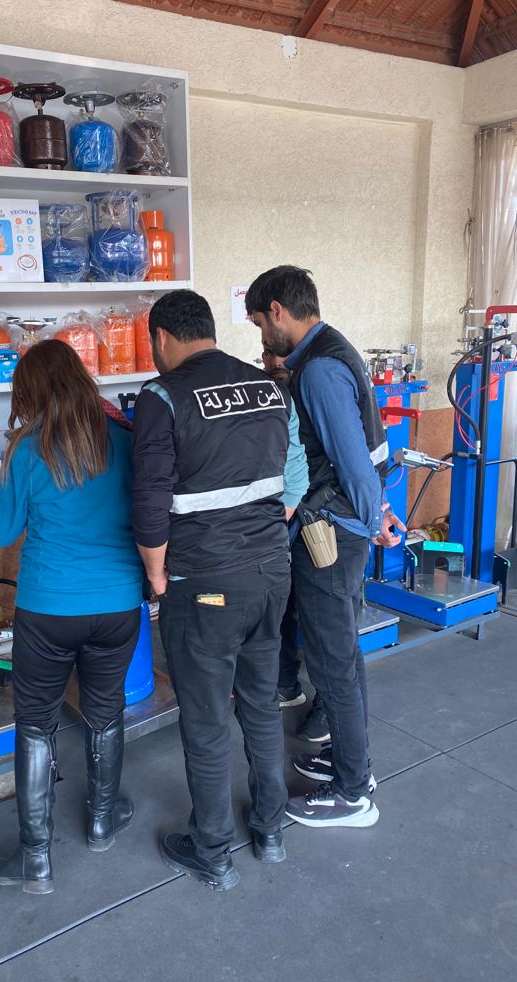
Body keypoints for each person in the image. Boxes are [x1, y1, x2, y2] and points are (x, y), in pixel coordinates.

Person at [132, 289, 308, 891]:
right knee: (260, 703)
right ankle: (270, 829)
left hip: (203, 583)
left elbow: (150, 500)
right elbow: (293, 479)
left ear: (161, 338)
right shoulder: (270, 387)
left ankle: (212, 850)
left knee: (206, 719)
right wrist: (260, 537)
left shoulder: (162, 396)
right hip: (270, 573)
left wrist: (157, 574)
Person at [0, 339, 144, 894]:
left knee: (35, 723)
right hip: (117, 604)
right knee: (105, 711)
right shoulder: (126, 439)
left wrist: (5, 471)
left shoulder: (25, 450)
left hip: (48, 609)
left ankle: (36, 859)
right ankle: (101, 822)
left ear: (29, 393)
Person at [245, 266, 405, 828]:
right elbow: (365, 449)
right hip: (347, 524)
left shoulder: (316, 370)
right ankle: (348, 760)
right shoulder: (333, 348)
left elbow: (352, 459)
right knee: (343, 653)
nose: (262, 336)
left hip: (331, 535)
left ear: (278, 311)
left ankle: (353, 792)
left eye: (260, 323)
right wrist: (376, 511)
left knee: (332, 660)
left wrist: (373, 518)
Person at [262, 344, 330, 745]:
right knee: (282, 607)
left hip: (323, 519)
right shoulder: (268, 399)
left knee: (322, 618)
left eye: (280, 355)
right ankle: (286, 683)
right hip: (283, 522)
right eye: (266, 355)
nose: (273, 363)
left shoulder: (319, 392)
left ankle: (328, 705)